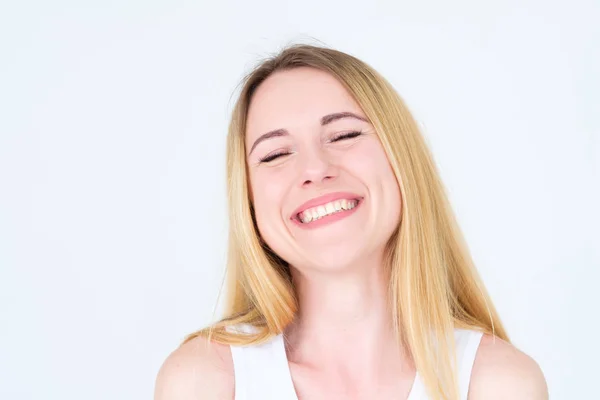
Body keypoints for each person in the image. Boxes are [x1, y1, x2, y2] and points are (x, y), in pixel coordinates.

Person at [154, 44, 548, 399]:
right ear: (250, 202)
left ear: (401, 160)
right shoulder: (204, 381)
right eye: (274, 155)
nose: (314, 168)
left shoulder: (499, 384)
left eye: (343, 135)